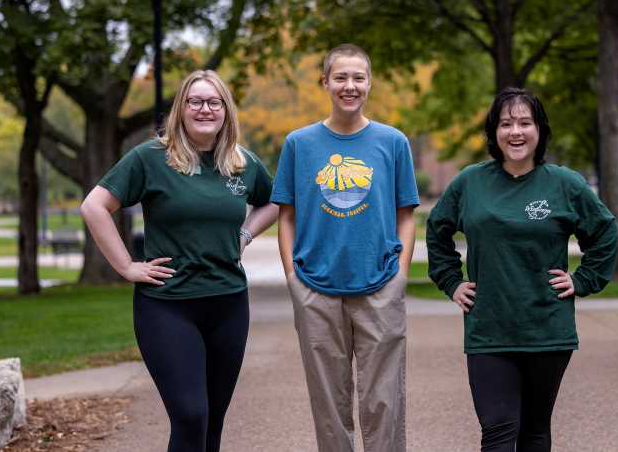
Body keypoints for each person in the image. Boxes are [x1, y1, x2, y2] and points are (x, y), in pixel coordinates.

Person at [80, 70, 277, 452]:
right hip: (168, 306)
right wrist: (126, 266)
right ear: (181, 109)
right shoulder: (152, 158)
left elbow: (275, 201)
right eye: (195, 102)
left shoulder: (242, 163)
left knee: (212, 423)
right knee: (190, 415)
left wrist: (245, 234)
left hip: (228, 303)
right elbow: (94, 206)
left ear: (226, 110)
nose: (205, 109)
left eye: (214, 102)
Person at [426, 87, 618, 452]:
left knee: (534, 432)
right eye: (506, 123)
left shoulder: (564, 184)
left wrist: (583, 279)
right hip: (489, 329)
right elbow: (437, 230)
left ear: (540, 130)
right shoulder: (470, 182)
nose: (515, 132)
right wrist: (451, 281)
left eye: (525, 123)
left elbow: (605, 230)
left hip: (546, 328)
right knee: (498, 431)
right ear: (494, 132)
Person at [270, 43, 419, 452]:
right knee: (329, 404)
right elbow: (287, 215)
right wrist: (292, 279)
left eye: (358, 78)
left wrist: (400, 275)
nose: (349, 86)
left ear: (369, 83)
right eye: (340, 77)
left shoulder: (392, 142)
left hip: (380, 286)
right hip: (316, 288)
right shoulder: (299, 144)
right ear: (325, 83)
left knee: (384, 400)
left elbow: (407, 214)